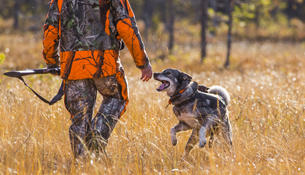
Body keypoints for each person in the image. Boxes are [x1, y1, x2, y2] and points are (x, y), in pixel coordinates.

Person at [42, 0, 152, 157]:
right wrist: (142, 62)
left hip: (73, 67)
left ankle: (82, 163)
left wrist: (52, 61)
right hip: (104, 64)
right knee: (117, 97)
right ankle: (95, 140)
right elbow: (127, 27)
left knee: (80, 118)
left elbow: (50, 29)